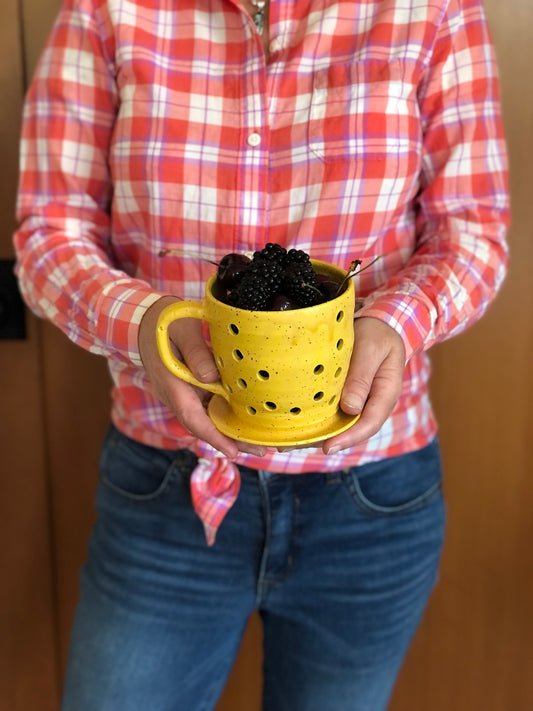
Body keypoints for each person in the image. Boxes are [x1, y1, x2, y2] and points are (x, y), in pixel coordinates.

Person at [13, 0, 509, 708]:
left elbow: (473, 232)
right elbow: (48, 230)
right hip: (166, 483)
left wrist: (396, 321)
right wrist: (146, 324)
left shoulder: (433, 10)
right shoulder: (105, 10)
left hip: (368, 499)